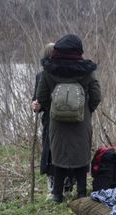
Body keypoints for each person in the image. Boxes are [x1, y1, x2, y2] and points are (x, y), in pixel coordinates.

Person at [36, 34, 101, 203]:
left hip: (57, 122)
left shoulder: (49, 70)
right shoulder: (87, 71)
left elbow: (41, 97)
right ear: (78, 51)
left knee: (59, 154)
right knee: (81, 154)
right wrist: (87, 110)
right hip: (82, 121)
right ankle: (80, 193)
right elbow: (96, 95)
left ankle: (57, 194)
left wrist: (55, 111)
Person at [32, 43, 75, 200]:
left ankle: (68, 184)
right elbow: (37, 100)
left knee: (67, 150)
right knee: (50, 152)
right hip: (49, 120)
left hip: (68, 119)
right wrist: (35, 105)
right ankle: (53, 186)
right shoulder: (41, 76)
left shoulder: (68, 74)